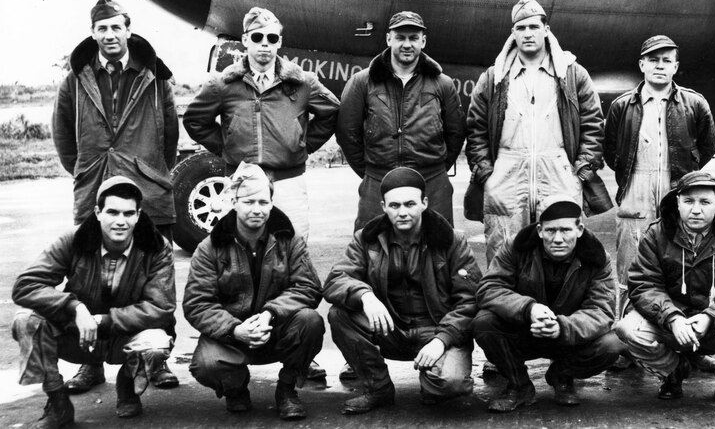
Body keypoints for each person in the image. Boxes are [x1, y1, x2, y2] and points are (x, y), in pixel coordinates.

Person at [51, 0, 179, 392]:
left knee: (155, 282)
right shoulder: (75, 79)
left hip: (148, 195)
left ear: (128, 29)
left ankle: (155, 361)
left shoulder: (155, 76)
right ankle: (92, 365)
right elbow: (62, 136)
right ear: (93, 33)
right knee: (91, 281)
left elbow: (169, 136)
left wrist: (151, 170)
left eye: (116, 27)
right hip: (95, 193)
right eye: (101, 28)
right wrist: (86, 171)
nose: (109, 34)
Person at [12, 176, 176, 425]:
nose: (121, 221)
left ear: (138, 215)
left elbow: (161, 307)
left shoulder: (156, 247)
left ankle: (127, 385)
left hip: (124, 335)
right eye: (112, 212)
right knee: (26, 321)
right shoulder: (74, 240)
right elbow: (25, 286)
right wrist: (74, 307)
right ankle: (58, 404)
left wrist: (103, 320)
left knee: (156, 342)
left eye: (129, 213)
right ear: (98, 212)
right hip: (77, 334)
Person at [465, 0, 611, 266]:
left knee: (562, 249)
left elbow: (593, 123)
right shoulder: (494, 77)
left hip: (559, 173)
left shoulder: (572, 74)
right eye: (521, 28)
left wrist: (581, 171)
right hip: (505, 177)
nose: (528, 33)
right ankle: (506, 306)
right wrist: (487, 172)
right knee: (503, 252)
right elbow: (475, 128)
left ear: (546, 29)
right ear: (513, 34)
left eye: (534, 26)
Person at [324, 167, 481, 415]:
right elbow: (335, 279)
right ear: (383, 206)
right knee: (339, 314)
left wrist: (442, 340)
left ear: (424, 203)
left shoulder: (452, 240)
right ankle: (378, 389)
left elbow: (470, 300)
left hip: (437, 329)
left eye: (410, 204)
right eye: (395, 205)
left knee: (449, 385)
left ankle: (433, 381)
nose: (403, 212)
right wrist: (365, 296)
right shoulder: (366, 239)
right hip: (390, 328)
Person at [605, 35, 715, 369]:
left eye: (666, 60)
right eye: (652, 60)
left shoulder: (695, 104)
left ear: (676, 67)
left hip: (676, 193)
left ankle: (695, 348)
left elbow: (708, 146)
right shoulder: (622, 106)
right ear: (642, 65)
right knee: (629, 271)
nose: (659, 66)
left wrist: (683, 178)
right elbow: (613, 152)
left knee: (686, 269)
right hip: (635, 193)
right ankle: (626, 346)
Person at [616, 172, 715, 404]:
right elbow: (644, 284)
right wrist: (671, 317)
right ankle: (674, 370)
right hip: (673, 325)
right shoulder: (656, 234)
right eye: (689, 201)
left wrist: (712, 316)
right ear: (678, 203)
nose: (696, 210)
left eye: (705, 202)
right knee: (627, 330)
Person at [184, 6, 340, 241]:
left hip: (289, 181)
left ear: (279, 42)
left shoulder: (303, 82)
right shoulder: (223, 84)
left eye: (272, 38)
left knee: (293, 246)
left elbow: (331, 112)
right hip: (242, 181)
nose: (265, 43)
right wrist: (226, 146)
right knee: (240, 250)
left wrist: (303, 145)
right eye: (257, 37)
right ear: (246, 40)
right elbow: (195, 120)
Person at [183, 162, 324, 420]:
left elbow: (309, 287)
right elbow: (197, 304)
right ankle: (235, 388)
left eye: (263, 202)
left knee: (310, 322)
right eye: (248, 202)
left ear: (271, 203)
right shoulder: (209, 247)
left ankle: (287, 389)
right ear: (234, 202)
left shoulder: (290, 240)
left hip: (277, 330)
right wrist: (236, 330)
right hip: (232, 336)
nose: (257, 209)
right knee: (206, 364)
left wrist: (271, 313)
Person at [473, 195, 621, 412]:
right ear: (540, 230)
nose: (558, 238)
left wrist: (562, 327)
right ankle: (519, 385)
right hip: (525, 331)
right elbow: (489, 288)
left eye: (566, 230)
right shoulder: (516, 247)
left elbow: (601, 311)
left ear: (579, 229)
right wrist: (528, 308)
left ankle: (562, 375)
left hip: (569, 338)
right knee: (483, 322)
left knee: (613, 343)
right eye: (551, 231)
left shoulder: (597, 258)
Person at [337, 11, 466, 230]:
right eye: (400, 38)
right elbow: (347, 132)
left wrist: (437, 169)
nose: (407, 44)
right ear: (389, 39)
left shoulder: (442, 84)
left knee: (438, 252)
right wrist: (371, 171)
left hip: (432, 182)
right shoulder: (362, 82)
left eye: (413, 38)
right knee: (372, 249)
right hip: (379, 179)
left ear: (423, 41)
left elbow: (456, 132)